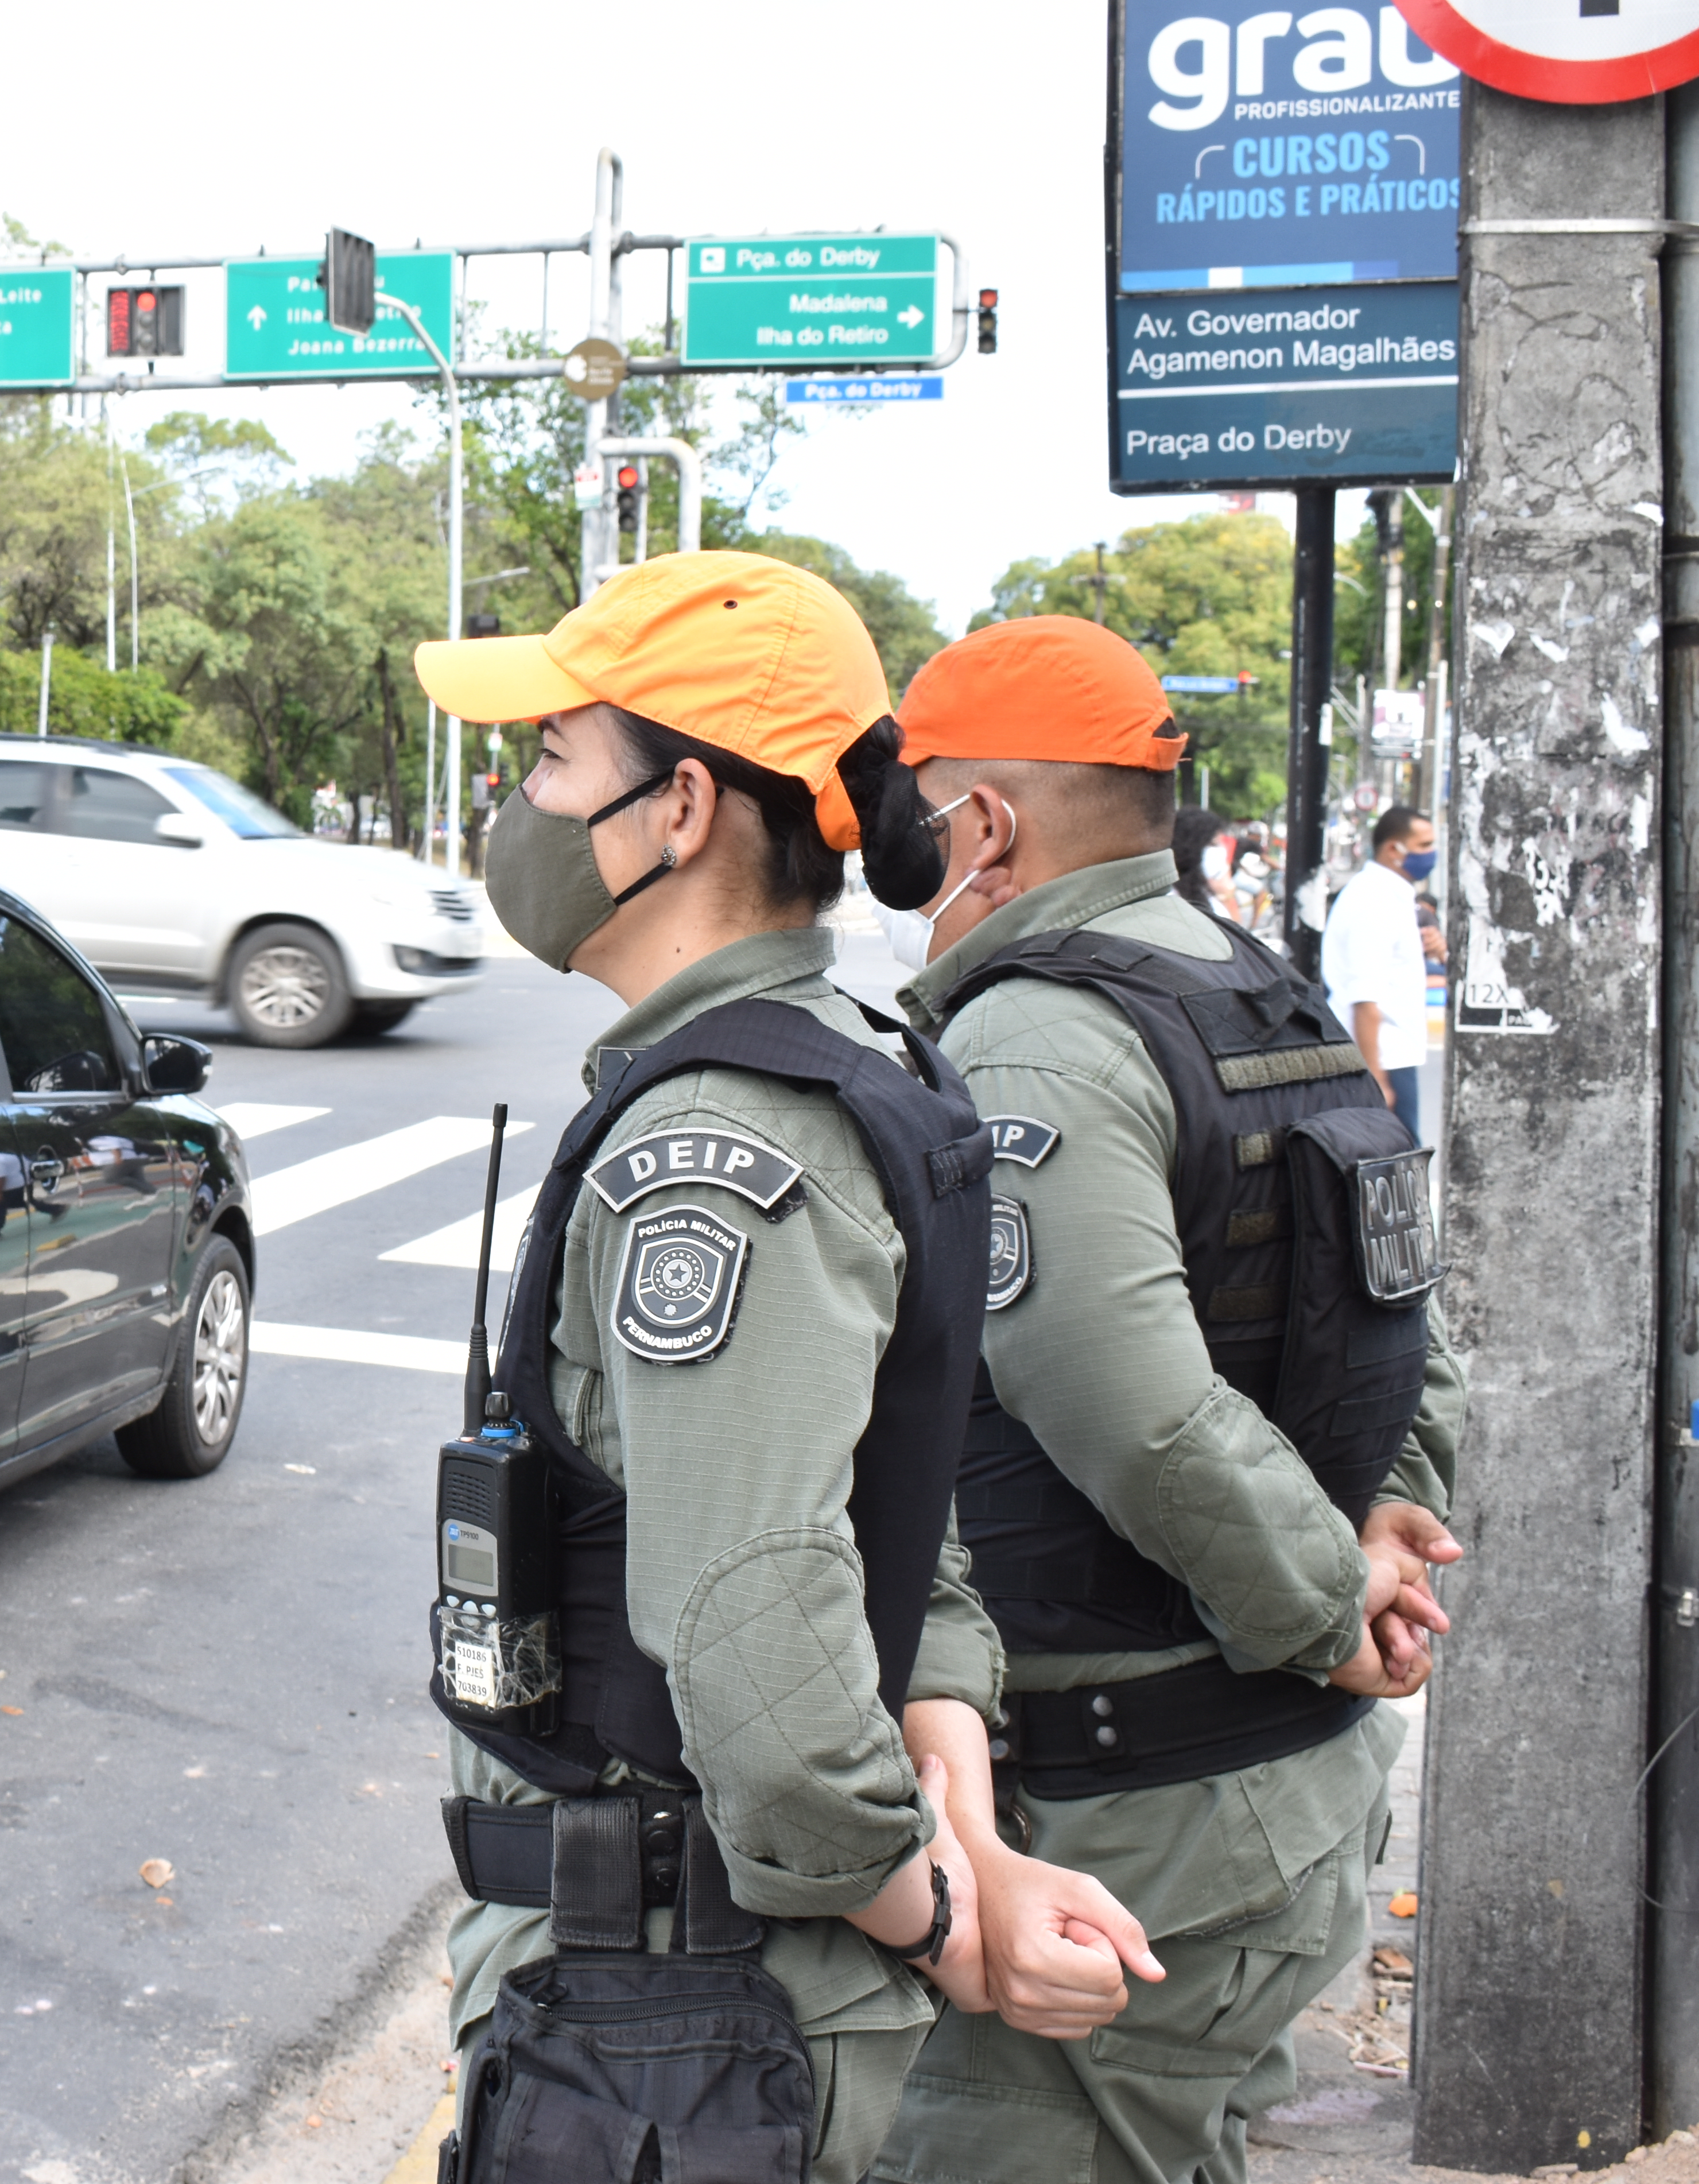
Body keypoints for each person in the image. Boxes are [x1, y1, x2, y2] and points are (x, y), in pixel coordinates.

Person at [414, 553, 1155, 2184]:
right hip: (696, 1990)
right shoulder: (855, 1069)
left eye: (551, 760)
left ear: (679, 808)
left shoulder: (711, 1147)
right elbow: (903, 1515)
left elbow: (757, 1635)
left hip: (666, 2017)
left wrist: (943, 1916)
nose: (520, 806)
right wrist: (966, 1841)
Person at [870, 616, 1466, 2184]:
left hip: (1130, 1819)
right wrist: (1390, 1518)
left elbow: (1129, 1405)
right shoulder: (1261, 990)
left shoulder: (1034, 1038)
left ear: (984, 824)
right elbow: (1405, 1316)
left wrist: (1332, 1604)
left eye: (912, 804)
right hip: (1263, 1799)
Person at [1321, 804, 1436, 1146]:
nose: (1431, 854)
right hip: (1383, 1059)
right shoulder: (1374, 901)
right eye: (1424, 845)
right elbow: (1365, 999)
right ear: (1393, 849)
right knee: (1396, 1163)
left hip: (1393, 1056)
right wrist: (1377, 1081)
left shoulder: (1390, 896)